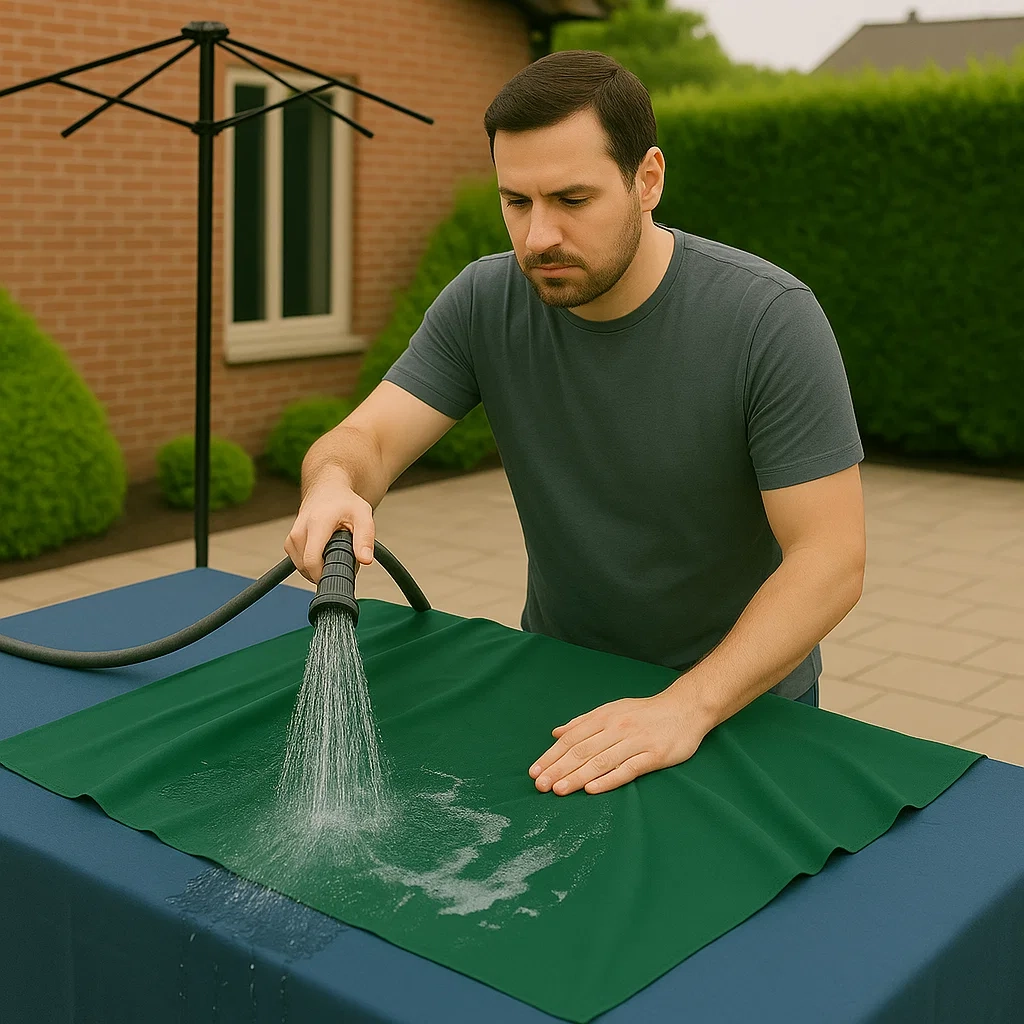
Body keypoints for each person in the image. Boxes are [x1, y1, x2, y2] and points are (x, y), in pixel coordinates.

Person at [284, 50, 866, 799]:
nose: (537, 238)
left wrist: (684, 707)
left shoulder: (768, 319)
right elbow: (366, 439)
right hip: (559, 686)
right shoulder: (484, 302)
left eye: (572, 199)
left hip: (744, 707)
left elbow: (830, 558)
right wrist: (333, 484)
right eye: (516, 202)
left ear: (648, 179)